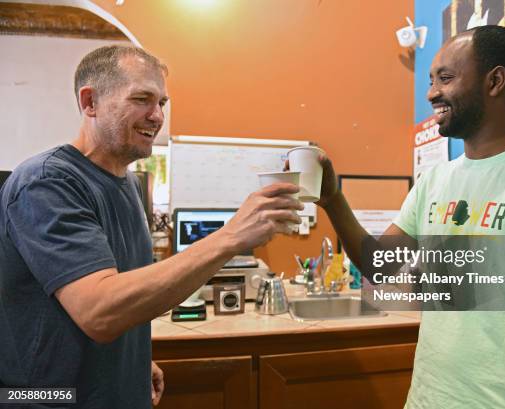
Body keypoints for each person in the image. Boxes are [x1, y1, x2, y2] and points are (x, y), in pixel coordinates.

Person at [312, 26, 505, 408]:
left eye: (446, 78)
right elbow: (381, 266)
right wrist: (334, 200)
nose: (431, 93)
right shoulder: (434, 181)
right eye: (431, 80)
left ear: (495, 81)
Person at [0, 45, 302, 408]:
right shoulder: (47, 182)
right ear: (90, 101)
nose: (157, 116)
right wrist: (231, 237)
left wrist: (136, 359)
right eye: (142, 99)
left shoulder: (126, 182)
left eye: (163, 102)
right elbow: (99, 311)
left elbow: (127, 292)